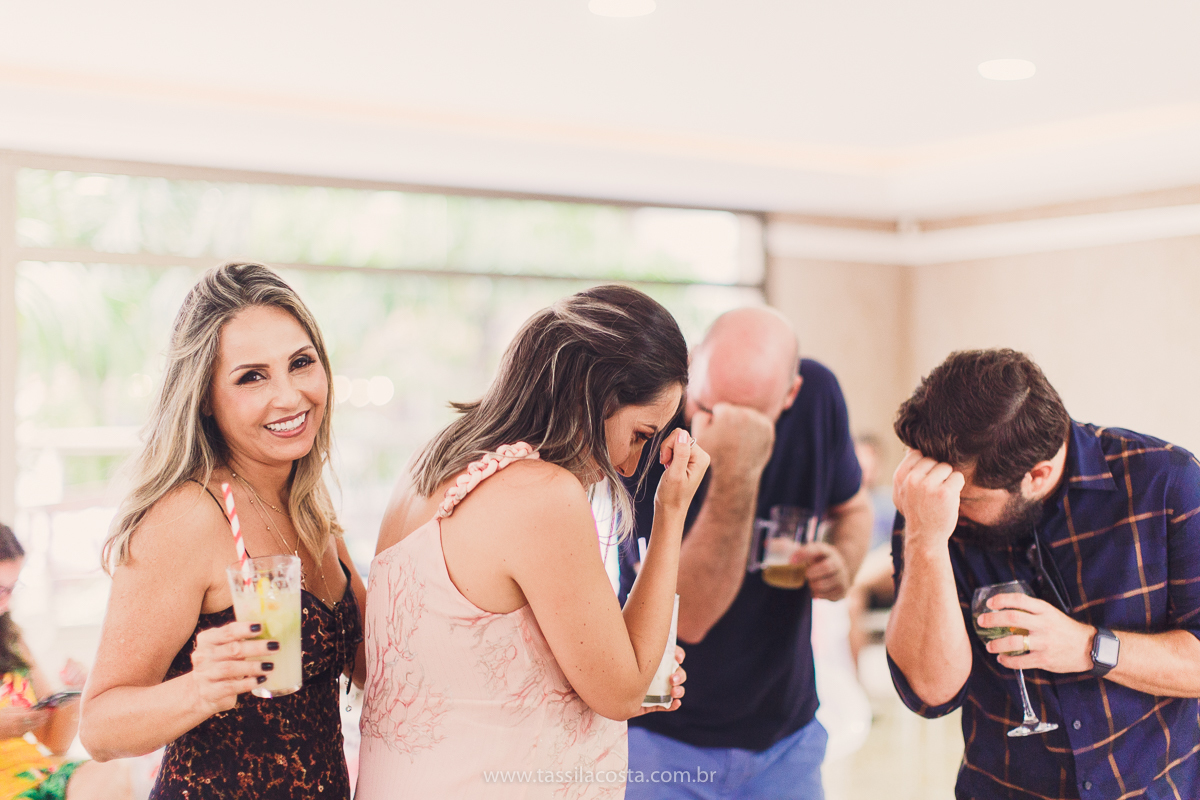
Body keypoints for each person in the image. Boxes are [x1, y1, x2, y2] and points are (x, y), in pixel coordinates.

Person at [356, 285, 707, 799]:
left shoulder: (432, 463)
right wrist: (671, 511)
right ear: (599, 396)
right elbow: (626, 690)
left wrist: (628, 659)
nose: (633, 466)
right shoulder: (541, 494)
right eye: (639, 434)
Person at [80, 263, 366, 799]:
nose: (289, 396)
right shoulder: (188, 515)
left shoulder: (309, 505)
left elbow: (375, 662)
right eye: (251, 376)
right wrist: (201, 689)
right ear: (206, 399)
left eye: (301, 363)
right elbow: (98, 727)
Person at [887, 348, 1200, 799]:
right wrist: (924, 538)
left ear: (1037, 475)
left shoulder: (1165, 482)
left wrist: (1089, 648)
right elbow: (930, 693)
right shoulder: (929, 507)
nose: (951, 507)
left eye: (968, 500)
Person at [618, 307, 872, 799]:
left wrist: (842, 562)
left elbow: (854, 508)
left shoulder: (818, 395)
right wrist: (737, 471)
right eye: (709, 406)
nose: (721, 425)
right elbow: (687, 617)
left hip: (786, 736)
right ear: (691, 367)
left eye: (748, 416)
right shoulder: (651, 423)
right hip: (661, 734)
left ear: (790, 394)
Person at [0, 523, 132, 800]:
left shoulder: (11, 639)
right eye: (1, 589)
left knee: (115, 775)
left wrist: (73, 695)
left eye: (13, 589)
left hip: (38, 776)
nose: (6, 604)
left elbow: (55, 742)